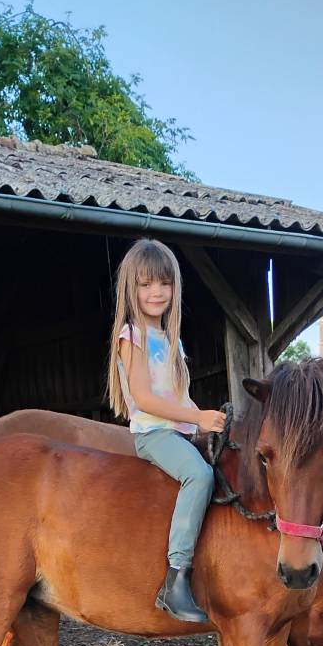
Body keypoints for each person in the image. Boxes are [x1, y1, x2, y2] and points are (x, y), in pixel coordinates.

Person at [108, 238, 224, 622]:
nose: (156, 292)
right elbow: (143, 398)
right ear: (131, 289)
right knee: (199, 474)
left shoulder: (172, 340)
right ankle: (175, 580)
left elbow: (180, 397)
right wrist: (196, 420)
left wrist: (211, 420)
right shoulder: (132, 336)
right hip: (153, 433)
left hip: (179, 431)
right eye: (145, 284)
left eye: (164, 283)